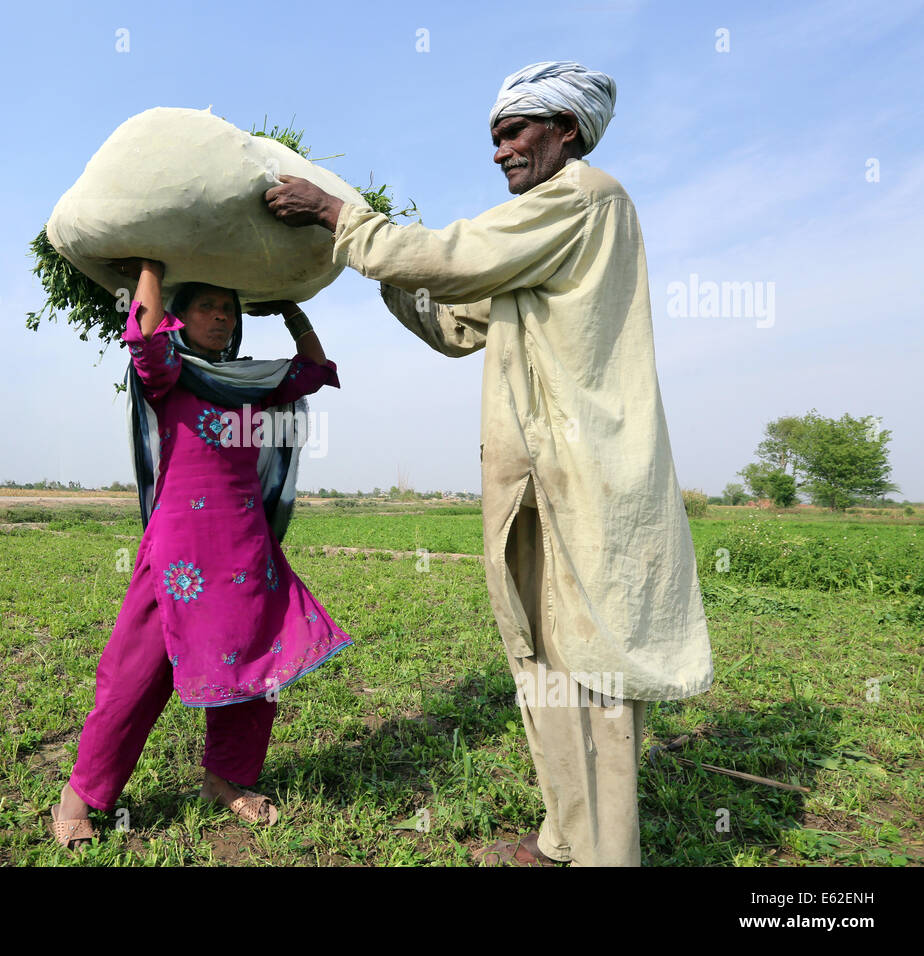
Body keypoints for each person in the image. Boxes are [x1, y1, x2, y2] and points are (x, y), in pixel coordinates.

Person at [264, 61, 713, 866]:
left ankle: (609, 855)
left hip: (590, 485)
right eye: (496, 137)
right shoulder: (532, 244)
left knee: (594, 667)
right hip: (535, 484)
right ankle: (565, 837)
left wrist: (342, 214)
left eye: (515, 132)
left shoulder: (582, 199)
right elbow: (452, 319)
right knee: (540, 658)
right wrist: (370, 265)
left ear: (565, 130)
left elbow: (449, 256)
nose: (501, 151)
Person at [49, 257, 352, 848]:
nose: (221, 315)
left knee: (254, 668)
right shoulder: (168, 376)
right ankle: (82, 794)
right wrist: (152, 262)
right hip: (178, 554)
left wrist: (289, 308)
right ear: (180, 319)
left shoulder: (252, 383)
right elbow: (141, 336)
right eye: (207, 306)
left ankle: (226, 780)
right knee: (134, 673)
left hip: (246, 550)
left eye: (230, 308)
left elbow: (314, 369)